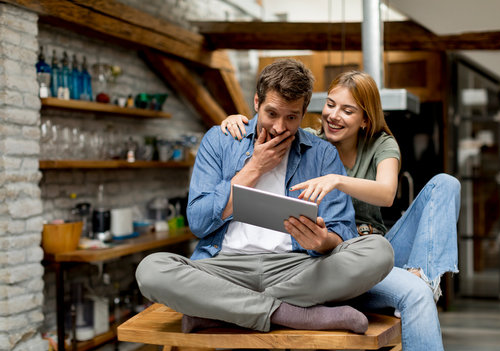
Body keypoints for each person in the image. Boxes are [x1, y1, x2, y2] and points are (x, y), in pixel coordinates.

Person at [136, 59, 394, 335]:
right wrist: (254, 168)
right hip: (224, 268)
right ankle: (292, 314)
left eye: (292, 117)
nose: (280, 127)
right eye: (272, 113)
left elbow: (341, 229)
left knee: (379, 251)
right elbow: (198, 223)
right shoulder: (220, 140)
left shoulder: (322, 154)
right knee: (150, 270)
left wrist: (323, 242)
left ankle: (222, 311)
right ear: (257, 102)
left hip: (296, 269)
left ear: (304, 112)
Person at [221, 70, 461, 351]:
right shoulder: (309, 139)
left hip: (378, 248)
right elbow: (273, 120)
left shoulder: (381, 144)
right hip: (334, 256)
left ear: (365, 120)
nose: (334, 115)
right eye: (331, 104)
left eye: (347, 110)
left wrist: (337, 179)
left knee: (446, 184)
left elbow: (386, 194)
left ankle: (423, 280)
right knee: (412, 294)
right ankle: (415, 288)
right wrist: (238, 119)